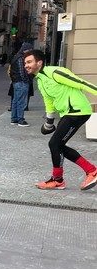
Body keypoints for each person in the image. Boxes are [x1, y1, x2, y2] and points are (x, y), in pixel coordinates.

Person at [23, 49, 97, 191]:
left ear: (39, 62)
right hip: (67, 113)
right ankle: (60, 179)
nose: (26, 65)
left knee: (55, 143)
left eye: (29, 62)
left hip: (78, 111)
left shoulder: (55, 72)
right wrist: (49, 123)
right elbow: (49, 102)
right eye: (25, 62)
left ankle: (90, 172)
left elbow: (81, 83)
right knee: (57, 145)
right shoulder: (40, 80)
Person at [8, 42, 33, 127]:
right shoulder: (21, 58)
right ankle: (20, 120)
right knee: (21, 101)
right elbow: (22, 72)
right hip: (21, 82)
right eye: (29, 50)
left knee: (15, 101)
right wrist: (27, 80)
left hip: (16, 82)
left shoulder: (16, 57)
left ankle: (14, 119)